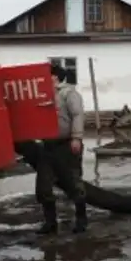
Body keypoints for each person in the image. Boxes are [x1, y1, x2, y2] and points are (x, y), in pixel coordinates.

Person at [35, 64, 88, 235]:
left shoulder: (68, 94)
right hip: (47, 145)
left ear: (55, 77)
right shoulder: (41, 94)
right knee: (43, 186)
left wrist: (76, 138)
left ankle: (81, 220)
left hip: (66, 144)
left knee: (73, 183)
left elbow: (77, 114)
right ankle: (50, 222)